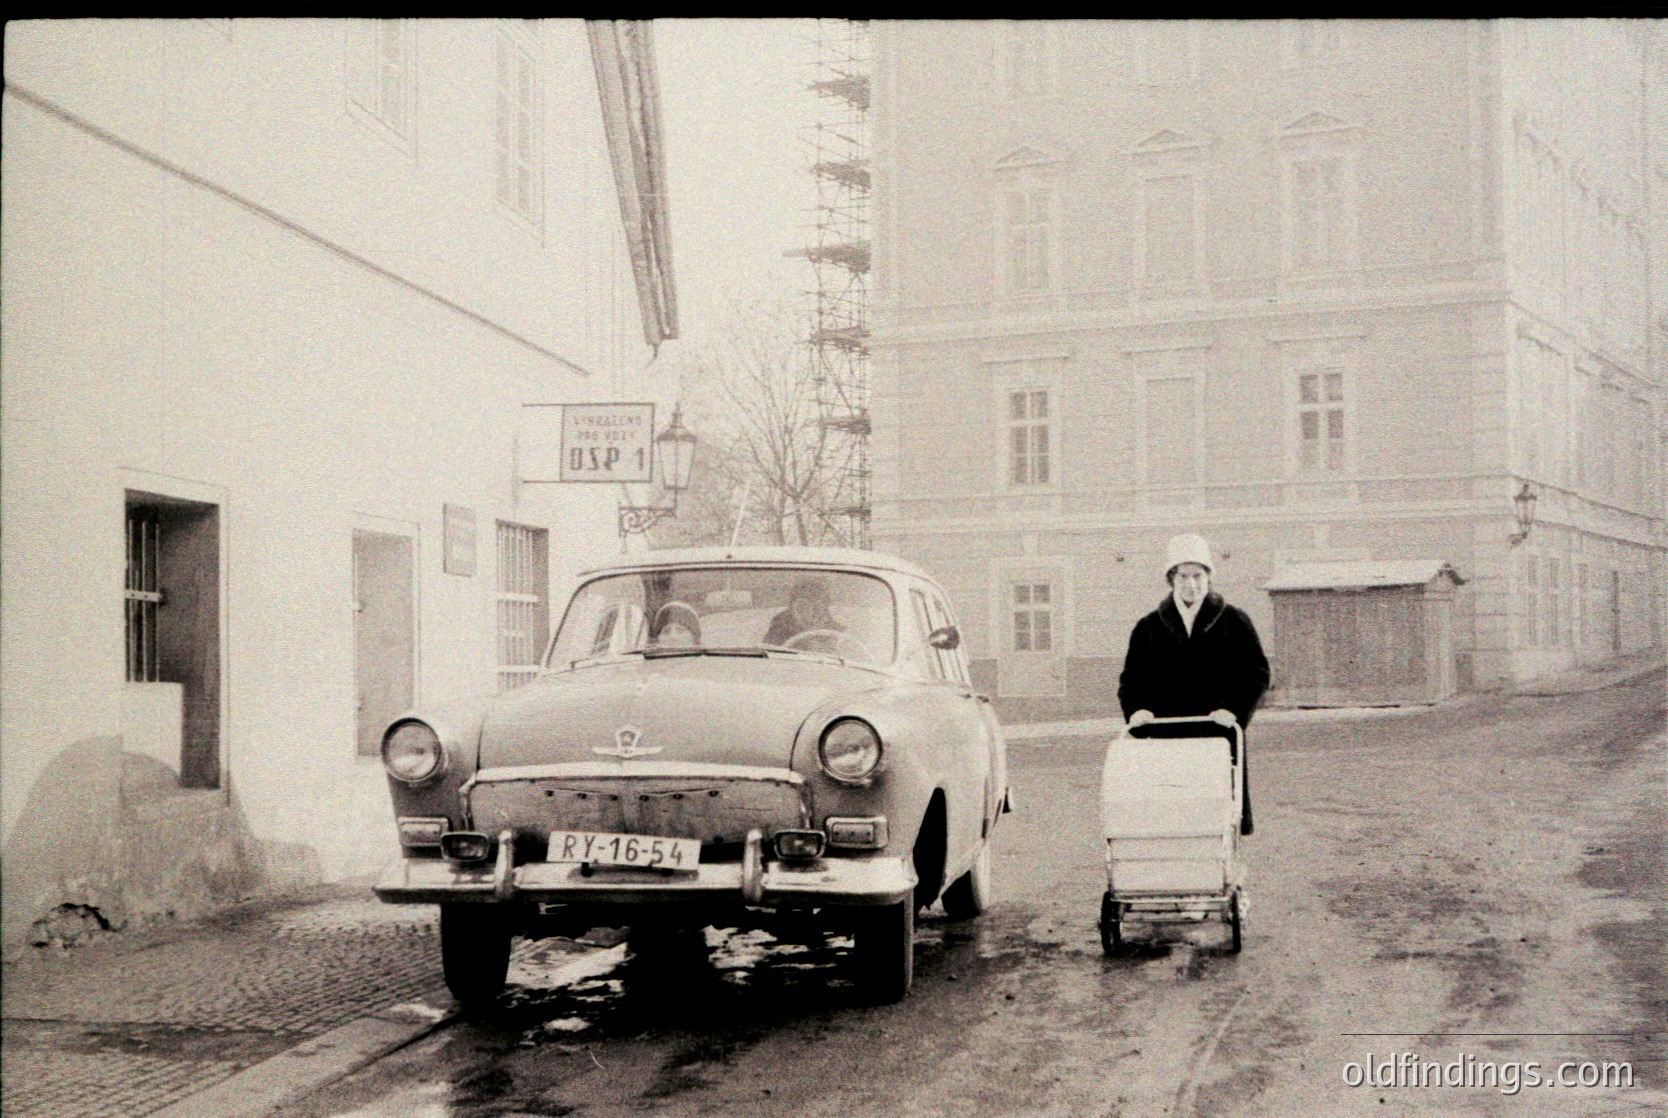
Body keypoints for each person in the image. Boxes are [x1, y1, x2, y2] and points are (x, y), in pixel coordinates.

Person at [1118, 533, 1269, 835]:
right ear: (1171, 579)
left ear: (1209, 577)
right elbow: (1132, 678)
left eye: (1198, 575)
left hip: (1217, 734)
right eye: (1183, 576)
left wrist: (1234, 710)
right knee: (1173, 814)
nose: (1191, 584)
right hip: (1168, 738)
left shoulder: (1234, 621)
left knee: (1219, 815)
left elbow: (1256, 673)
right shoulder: (1148, 626)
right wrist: (1138, 711)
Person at [764, 577, 841, 647]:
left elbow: (838, 650)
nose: (810, 610)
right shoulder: (780, 624)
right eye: (802, 605)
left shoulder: (831, 625)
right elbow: (771, 652)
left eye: (817, 605)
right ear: (792, 605)